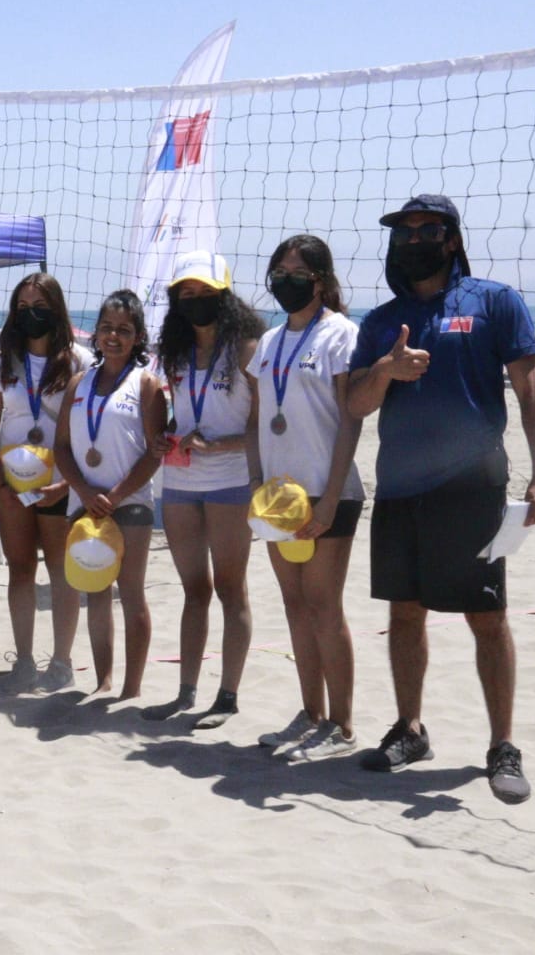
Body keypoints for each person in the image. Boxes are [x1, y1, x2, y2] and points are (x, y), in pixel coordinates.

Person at [346, 195, 535, 804]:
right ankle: (411, 729)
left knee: (488, 619)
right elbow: (354, 404)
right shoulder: (381, 320)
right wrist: (386, 370)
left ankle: (502, 745)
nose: (412, 240)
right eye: (402, 233)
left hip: (473, 486)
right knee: (404, 614)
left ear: (451, 238)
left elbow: (530, 387)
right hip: (400, 489)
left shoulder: (494, 301)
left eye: (425, 230)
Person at [249, 235, 365, 762]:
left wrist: (329, 499)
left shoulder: (341, 334)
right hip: (278, 496)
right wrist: (256, 484)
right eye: (279, 271)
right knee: (295, 606)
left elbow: (350, 421)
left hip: (327, 491)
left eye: (297, 272)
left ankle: (340, 725)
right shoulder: (269, 341)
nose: (285, 279)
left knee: (324, 607)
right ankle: (309, 712)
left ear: (320, 281)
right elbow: (257, 420)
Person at [143, 252, 264, 728]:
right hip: (180, 480)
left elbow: (261, 430)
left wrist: (216, 445)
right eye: (185, 294)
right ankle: (185, 693)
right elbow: (184, 416)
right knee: (195, 590)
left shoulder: (249, 350)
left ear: (225, 296)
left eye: (205, 293)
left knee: (232, 591)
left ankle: (227, 697)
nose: (195, 301)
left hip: (231, 481)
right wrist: (166, 434)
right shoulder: (174, 353)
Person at [0, 273, 92, 693]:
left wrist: (68, 485)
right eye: (23, 307)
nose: (31, 313)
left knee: (63, 572)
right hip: (12, 483)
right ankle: (23, 658)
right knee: (21, 569)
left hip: (59, 483)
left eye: (40, 306)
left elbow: (85, 427)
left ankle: (61, 660)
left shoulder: (80, 360)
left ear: (57, 309)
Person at [54, 289, 167, 699]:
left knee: (132, 593)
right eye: (106, 328)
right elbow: (62, 448)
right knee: (95, 593)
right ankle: (103, 680)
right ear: (95, 334)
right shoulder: (78, 384)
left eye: (123, 329)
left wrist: (116, 495)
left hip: (130, 503)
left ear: (138, 337)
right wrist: (84, 491)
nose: (113, 336)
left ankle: (131, 688)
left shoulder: (148, 384)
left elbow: (155, 454)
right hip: (84, 504)